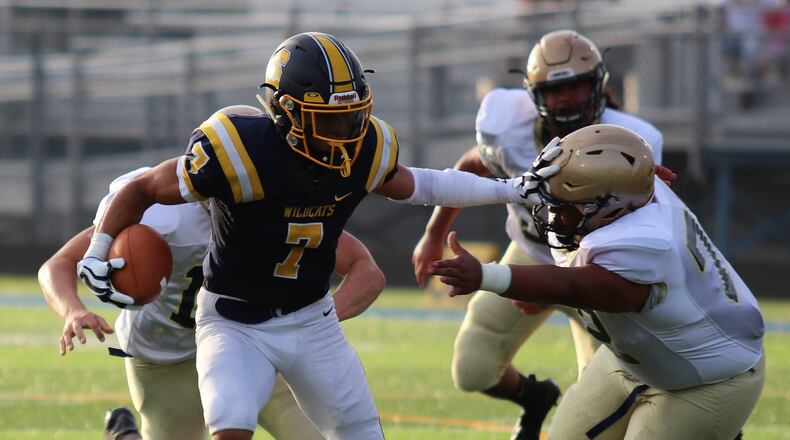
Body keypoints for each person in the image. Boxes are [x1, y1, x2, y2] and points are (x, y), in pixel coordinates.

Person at [75, 32, 545, 440]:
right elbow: (141, 189)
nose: (346, 133)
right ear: (286, 113)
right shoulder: (240, 152)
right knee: (230, 425)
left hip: (312, 320)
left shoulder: (365, 149)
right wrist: (99, 248)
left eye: (353, 116)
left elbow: (425, 183)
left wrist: (512, 187)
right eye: (331, 120)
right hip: (232, 322)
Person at [430, 124, 765, 440]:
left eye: (565, 207)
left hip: (708, 379)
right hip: (634, 359)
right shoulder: (632, 195)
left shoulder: (641, 245)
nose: (553, 216)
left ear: (609, 208)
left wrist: (487, 275)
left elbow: (578, 286)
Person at [411, 29, 665, 440]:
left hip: (595, 272)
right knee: (472, 368)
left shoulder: (634, 142)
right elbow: (474, 165)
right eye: (554, 89)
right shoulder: (507, 128)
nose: (565, 99)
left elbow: (652, 227)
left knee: (606, 414)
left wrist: (551, 289)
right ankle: (536, 397)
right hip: (531, 252)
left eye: (576, 85)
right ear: (532, 94)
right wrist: (433, 231)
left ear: (597, 84)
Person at [39, 163, 386, 440]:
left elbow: (366, 273)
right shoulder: (159, 211)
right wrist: (73, 310)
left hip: (254, 346)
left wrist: (309, 321)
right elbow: (58, 264)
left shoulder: (279, 203)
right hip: (167, 358)